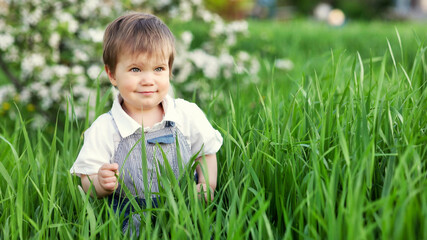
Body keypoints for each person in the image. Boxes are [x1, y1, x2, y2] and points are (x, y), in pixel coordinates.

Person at [70, 12, 223, 234]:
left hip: (186, 207)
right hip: (130, 215)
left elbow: (206, 151)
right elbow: (87, 176)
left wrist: (207, 185)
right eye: (135, 69)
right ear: (112, 74)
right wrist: (99, 184)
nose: (148, 80)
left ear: (169, 70)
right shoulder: (105, 128)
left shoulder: (186, 114)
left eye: (159, 69)